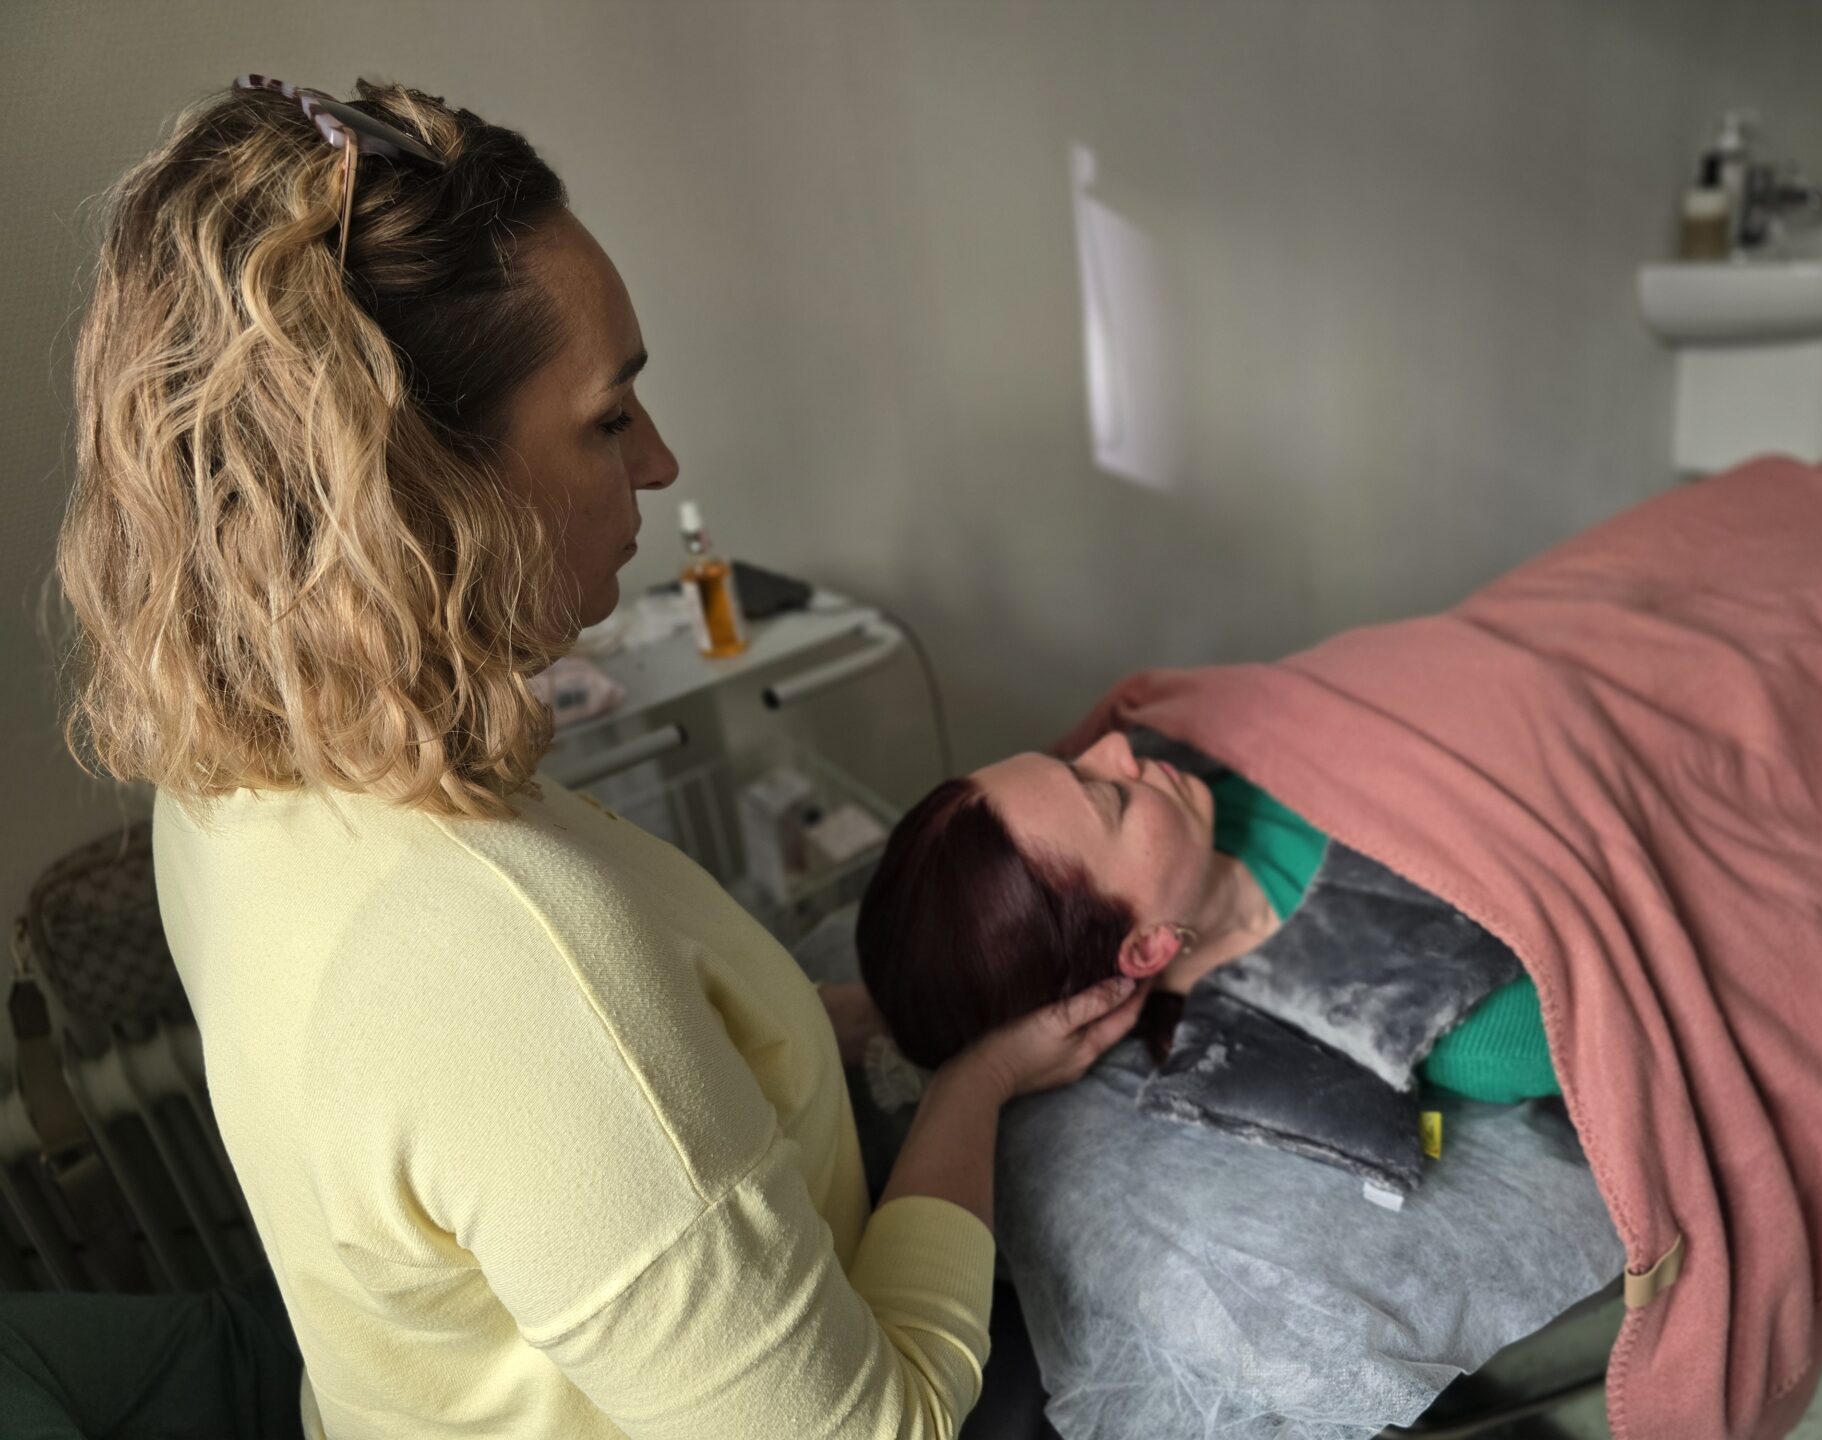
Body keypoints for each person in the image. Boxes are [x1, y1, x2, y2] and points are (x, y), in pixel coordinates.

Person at [54, 75, 1147, 1439]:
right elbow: (889, 1424)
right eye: (610, 418)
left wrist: (846, 1022)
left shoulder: (229, 777)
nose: (662, 461)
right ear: (416, 488)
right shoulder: (511, 959)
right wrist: (978, 1090)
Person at [857, 729, 1561, 1105]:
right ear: (1144, 949)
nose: (1117, 748)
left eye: (1072, 758)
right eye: (1109, 796)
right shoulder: (1466, 1022)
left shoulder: (1210, 742)